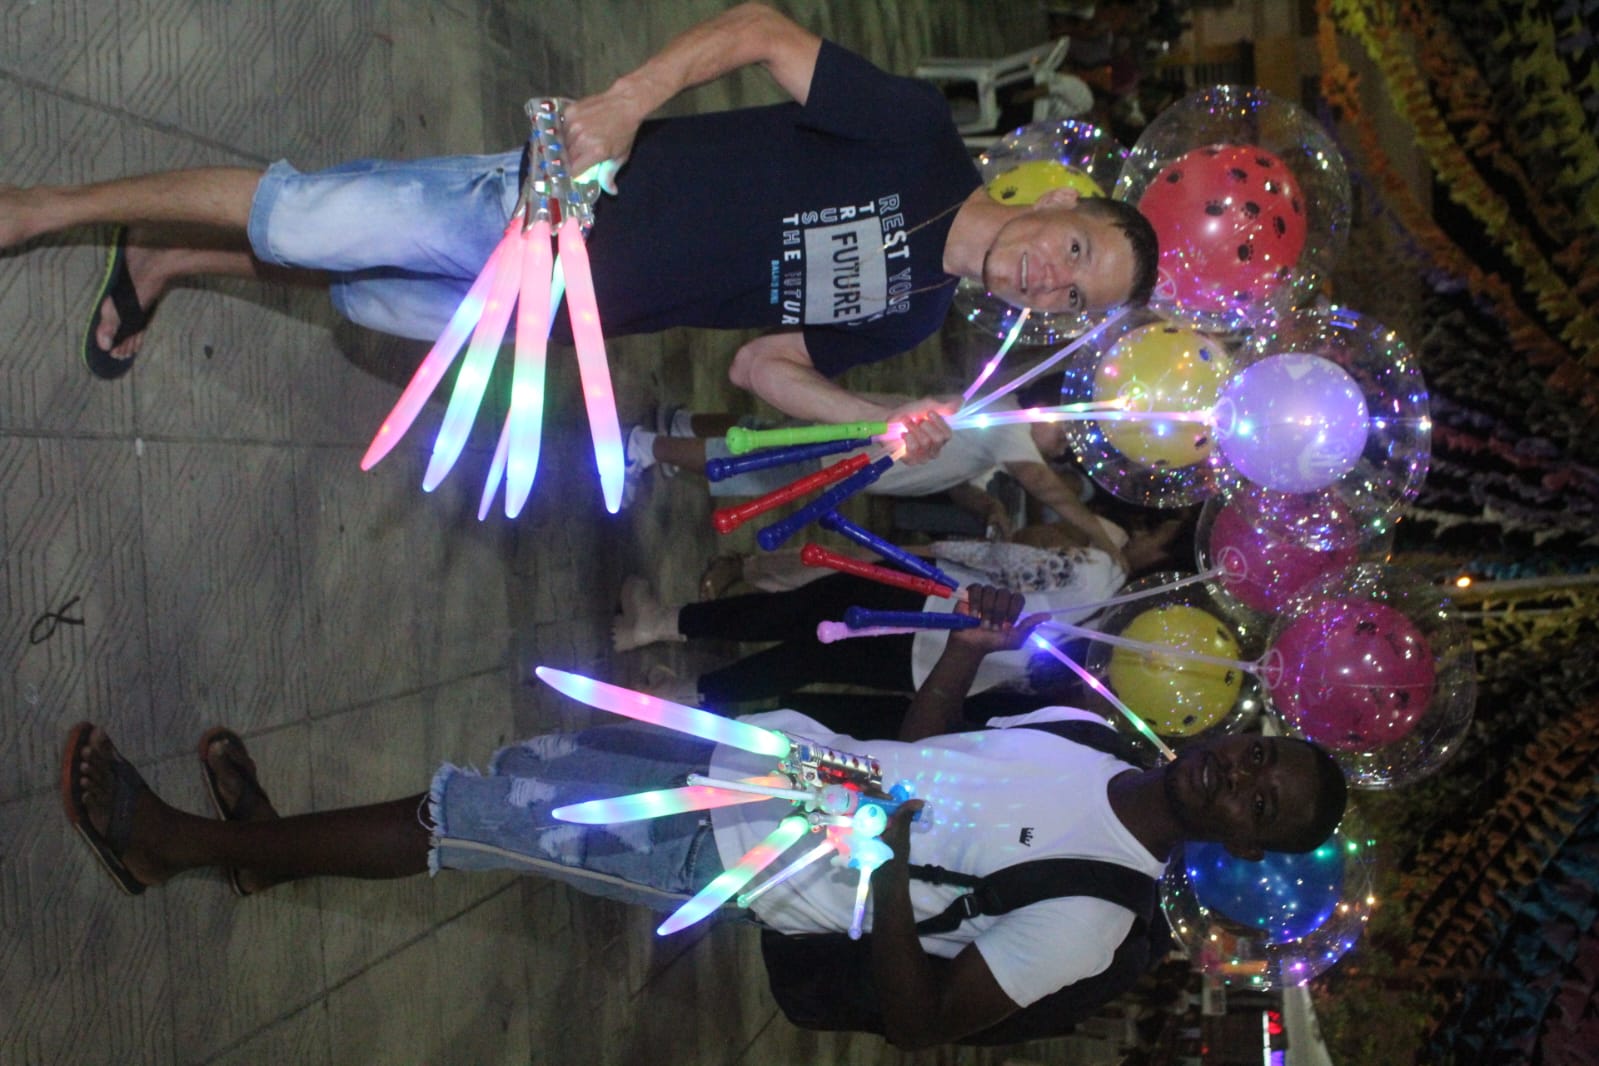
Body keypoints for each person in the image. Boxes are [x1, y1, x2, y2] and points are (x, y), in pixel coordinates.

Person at [63, 585, 1347, 1049]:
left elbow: (922, 1021)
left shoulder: (1095, 914)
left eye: (1263, 803)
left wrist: (887, 865)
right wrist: (964, 651)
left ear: (1246, 847)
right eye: (1261, 756)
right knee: (510, 773)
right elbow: (926, 757)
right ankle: (267, 856)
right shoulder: (1090, 735)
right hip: (751, 756)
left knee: (464, 815)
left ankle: (177, 844)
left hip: (730, 855)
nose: (1241, 776)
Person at [0, 3, 1157, 464]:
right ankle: (46, 209)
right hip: (554, 200)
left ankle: (168, 255)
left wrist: (875, 419)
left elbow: (763, 368)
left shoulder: (911, 315)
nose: (1049, 282)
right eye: (1075, 255)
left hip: (562, 313)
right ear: (1060, 204)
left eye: (1073, 300)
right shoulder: (917, 140)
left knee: (354, 281)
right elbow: (760, 30)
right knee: (310, 214)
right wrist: (629, 101)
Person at [611, 519, 1187, 716]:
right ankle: (684, 694)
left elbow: (1004, 560)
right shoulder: (1114, 650)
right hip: (937, 670)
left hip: (930, 603)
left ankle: (658, 623)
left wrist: (934, 550)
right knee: (804, 662)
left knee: (792, 613)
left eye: (1159, 531)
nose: (1144, 531)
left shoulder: (1097, 574)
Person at [625, 373, 1130, 557]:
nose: (1060, 451)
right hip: (851, 451)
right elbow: (1046, 487)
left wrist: (986, 505)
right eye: (1063, 437)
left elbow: (953, 482)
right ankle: (644, 447)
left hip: (854, 446)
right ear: (1045, 411)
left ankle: (680, 426)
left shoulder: (999, 432)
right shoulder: (1010, 423)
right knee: (751, 464)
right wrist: (1102, 538)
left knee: (760, 434)